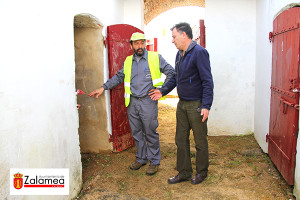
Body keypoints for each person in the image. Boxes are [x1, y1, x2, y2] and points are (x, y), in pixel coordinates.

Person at [88, 32, 175, 176]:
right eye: (136, 43)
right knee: (137, 133)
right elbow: (119, 77)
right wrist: (103, 87)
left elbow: (171, 72)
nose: (139, 46)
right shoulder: (128, 61)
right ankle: (141, 158)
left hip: (148, 101)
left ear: (145, 43)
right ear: (131, 45)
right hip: (132, 102)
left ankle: (154, 161)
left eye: (142, 43)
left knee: (150, 132)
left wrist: (162, 90)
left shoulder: (155, 57)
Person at [149, 22, 214, 184]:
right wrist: (162, 91)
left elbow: (207, 81)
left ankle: (202, 172)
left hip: (196, 105)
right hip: (182, 104)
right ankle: (184, 172)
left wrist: (206, 105)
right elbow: (176, 78)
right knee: (180, 139)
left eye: (174, 36)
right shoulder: (180, 54)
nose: (172, 40)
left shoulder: (199, 53)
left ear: (184, 35)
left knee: (200, 141)